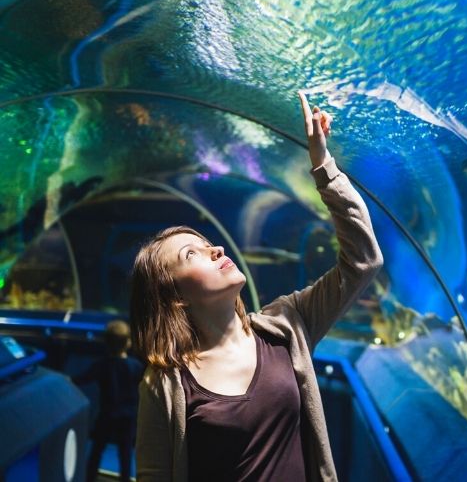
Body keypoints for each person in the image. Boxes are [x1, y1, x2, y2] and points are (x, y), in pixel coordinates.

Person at [130, 92, 383, 482]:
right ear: (175, 297)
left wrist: (324, 167)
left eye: (206, 242)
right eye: (191, 255)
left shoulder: (286, 325)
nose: (215, 248)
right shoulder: (166, 383)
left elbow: (364, 260)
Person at [74, 319, 145, 482]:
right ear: (128, 342)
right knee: (125, 453)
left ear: (106, 342)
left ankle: (89, 478)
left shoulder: (102, 365)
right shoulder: (136, 366)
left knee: (97, 450)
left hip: (106, 414)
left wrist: (66, 379)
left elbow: (82, 378)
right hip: (128, 417)